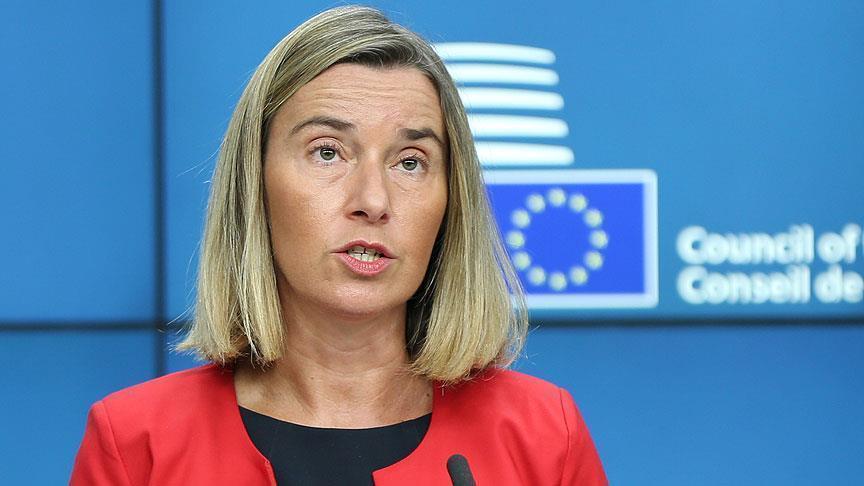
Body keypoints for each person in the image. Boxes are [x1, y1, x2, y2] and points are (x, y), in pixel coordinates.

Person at [70, 5, 607, 485]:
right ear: (255, 184)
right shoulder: (137, 444)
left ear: (451, 202)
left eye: (410, 162)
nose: (373, 200)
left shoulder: (543, 437)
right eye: (327, 152)